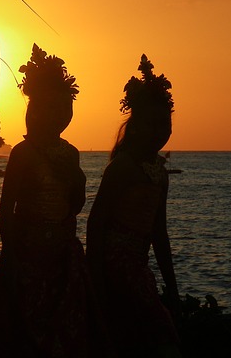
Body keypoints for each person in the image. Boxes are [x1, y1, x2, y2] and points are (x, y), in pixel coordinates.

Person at [0, 44, 103, 357]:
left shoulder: (70, 153)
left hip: (63, 254)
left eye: (65, 110)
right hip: (27, 249)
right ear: (33, 109)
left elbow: (75, 205)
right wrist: (11, 254)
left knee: (67, 326)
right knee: (26, 328)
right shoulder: (22, 153)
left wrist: (77, 180)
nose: (58, 117)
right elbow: (6, 209)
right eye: (49, 108)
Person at [87, 54, 181, 358]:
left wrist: (172, 286)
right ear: (137, 124)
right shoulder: (123, 168)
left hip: (138, 267)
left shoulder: (160, 173)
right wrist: (96, 278)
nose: (159, 130)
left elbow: (160, 233)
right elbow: (96, 223)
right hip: (114, 266)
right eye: (152, 123)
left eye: (165, 123)